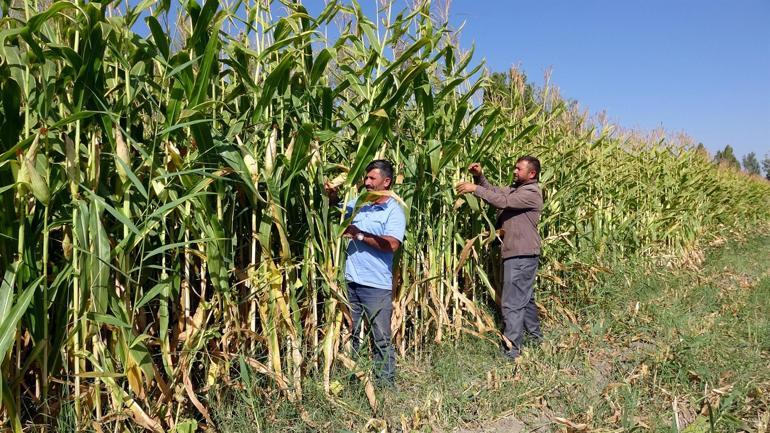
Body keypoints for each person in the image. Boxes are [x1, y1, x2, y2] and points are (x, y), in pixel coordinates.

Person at [324, 159, 406, 385]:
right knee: (354, 334)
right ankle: (357, 380)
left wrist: (359, 234)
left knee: (381, 337)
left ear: (386, 181)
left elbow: (391, 244)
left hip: (376, 285)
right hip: (351, 282)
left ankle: (385, 384)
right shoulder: (360, 203)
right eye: (366, 178)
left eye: (372, 178)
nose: (366, 182)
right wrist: (331, 195)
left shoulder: (393, 210)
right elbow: (337, 208)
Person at [455, 156, 544, 360]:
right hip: (518, 253)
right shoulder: (517, 190)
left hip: (521, 254)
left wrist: (474, 189)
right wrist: (480, 178)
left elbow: (502, 201)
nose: (514, 171)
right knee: (525, 299)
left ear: (532, 174)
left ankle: (512, 350)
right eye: (514, 167)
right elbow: (495, 192)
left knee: (512, 303)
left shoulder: (531, 193)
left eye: (518, 169)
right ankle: (535, 338)